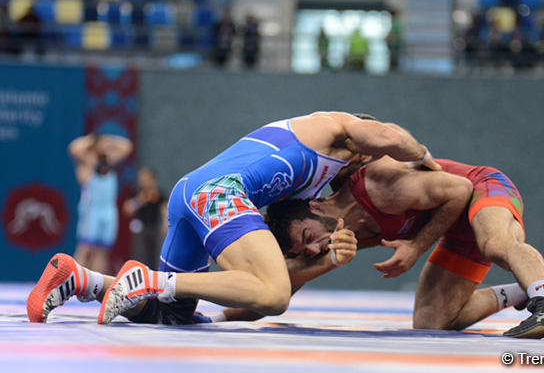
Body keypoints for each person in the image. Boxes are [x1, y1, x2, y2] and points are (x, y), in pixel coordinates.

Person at [28, 112, 440, 325]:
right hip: (219, 193)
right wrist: (426, 161)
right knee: (274, 295)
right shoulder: (337, 127)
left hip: (190, 193)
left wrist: (328, 258)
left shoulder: (310, 188)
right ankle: (149, 280)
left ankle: (81, 279)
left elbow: (274, 278)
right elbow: (390, 136)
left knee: (173, 314)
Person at [240, 154, 544, 339]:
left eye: (307, 238)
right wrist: (221, 313)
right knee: (432, 322)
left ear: (315, 206)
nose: (316, 249)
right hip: (453, 223)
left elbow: (460, 190)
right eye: (306, 252)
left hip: (480, 189)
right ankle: (526, 287)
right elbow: (283, 286)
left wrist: (416, 247)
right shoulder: (339, 235)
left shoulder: (377, 185)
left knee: (495, 244)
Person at [68, 133, 133, 274]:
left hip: (109, 211)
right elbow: (73, 148)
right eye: (101, 143)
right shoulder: (87, 163)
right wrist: (92, 139)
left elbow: (127, 147)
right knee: (85, 247)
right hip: (91, 210)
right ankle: (74, 279)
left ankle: (96, 282)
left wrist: (109, 140)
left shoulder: (109, 161)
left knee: (102, 250)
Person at [123, 167, 167, 270]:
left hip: (154, 228)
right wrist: (140, 200)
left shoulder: (158, 193)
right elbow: (127, 209)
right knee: (140, 255)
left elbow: (165, 208)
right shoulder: (136, 192)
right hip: (140, 229)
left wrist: (165, 224)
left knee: (154, 255)